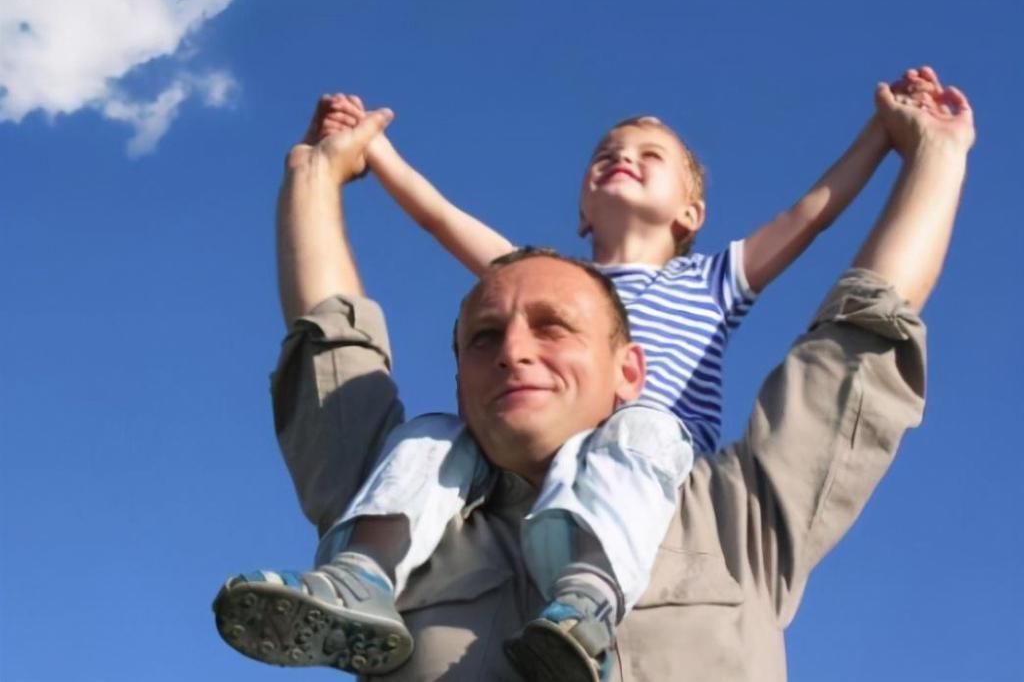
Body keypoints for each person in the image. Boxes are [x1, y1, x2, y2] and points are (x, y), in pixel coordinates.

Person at [214, 66, 973, 681]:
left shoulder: (712, 302)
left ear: (691, 211)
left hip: (661, 460)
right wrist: (350, 161)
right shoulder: (540, 280)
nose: (515, 347)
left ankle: (590, 594)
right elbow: (414, 248)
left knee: (640, 430)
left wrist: (896, 140)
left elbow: (840, 274)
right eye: (485, 334)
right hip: (477, 474)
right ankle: (363, 574)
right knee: (428, 437)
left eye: (554, 327)